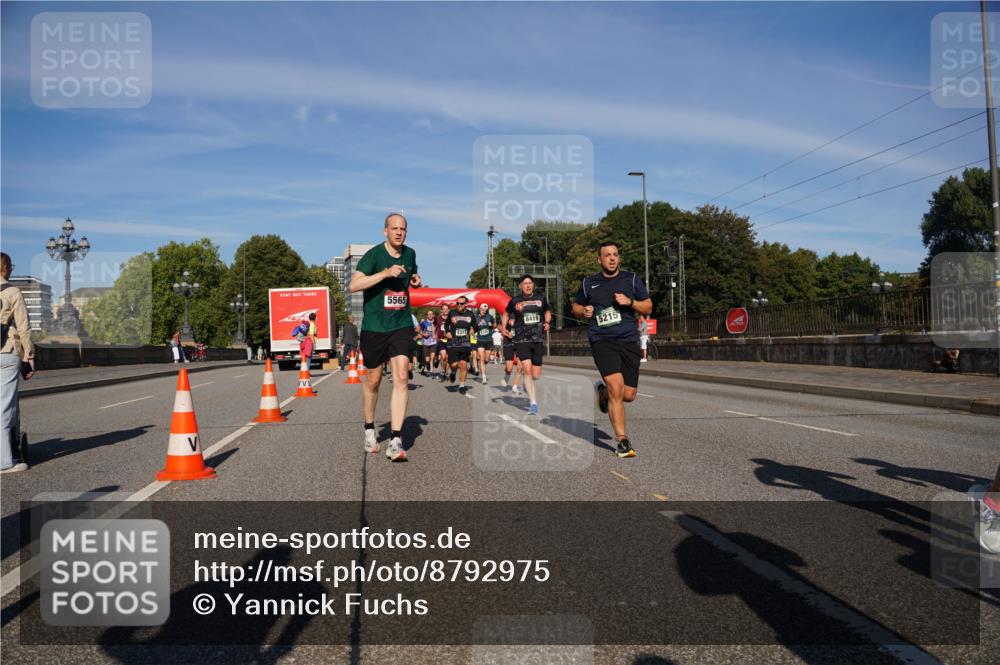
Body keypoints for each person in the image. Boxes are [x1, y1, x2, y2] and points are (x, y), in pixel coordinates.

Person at [349, 213, 421, 461]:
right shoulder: (373, 255)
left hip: (400, 324)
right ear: (385, 231)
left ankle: (396, 439)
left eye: (403, 229)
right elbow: (354, 285)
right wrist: (384, 273)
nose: (399, 232)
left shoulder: (410, 254)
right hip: (374, 327)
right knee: (373, 380)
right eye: (394, 228)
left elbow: (411, 274)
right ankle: (369, 429)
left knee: (401, 376)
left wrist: (415, 280)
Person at [571, 241, 653, 459]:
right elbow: (576, 306)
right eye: (607, 255)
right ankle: (623, 441)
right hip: (602, 340)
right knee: (616, 387)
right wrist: (584, 311)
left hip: (628, 340)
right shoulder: (589, 283)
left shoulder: (632, 279)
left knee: (629, 395)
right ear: (600, 259)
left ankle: (603, 392)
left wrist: (630, 302)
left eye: (615, 254)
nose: (612, 258)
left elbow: (648, 306)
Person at [1, 252, 34, 473]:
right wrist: (29, 356)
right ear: (6, 268)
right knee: (4, 407)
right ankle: (5, 461)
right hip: (6, 351)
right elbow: (23, 327)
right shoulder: (13, 291)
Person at [501, 274, 551, 415]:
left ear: (533, 285)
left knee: (535, 375)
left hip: (537, 339)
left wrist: (547, 322)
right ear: (520, 286)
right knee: (527, 370)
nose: (528, 285)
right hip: (522, 340)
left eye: (530, 283)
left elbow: (547, 311)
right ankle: (533, 403)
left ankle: (527, 384)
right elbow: (505, 314)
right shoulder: (515, 301)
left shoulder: (541, 299)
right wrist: (504, 328)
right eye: (525, 283)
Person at [445, 296, 476, 394]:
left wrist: (473, 329)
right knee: (454, 365)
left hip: (465, 342)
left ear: (465, 304)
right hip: (453, 342)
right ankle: (453, 372)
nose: (459, 305)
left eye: (461, 303)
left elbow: (476, 325)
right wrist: (448, 331)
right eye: (457, 303)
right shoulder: (452, 313)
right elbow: (446, 325)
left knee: (463, 365)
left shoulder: (470, 314)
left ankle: (462, 386)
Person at [473, 303, 495, 385]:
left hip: (488, 340)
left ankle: (483, 367)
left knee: (486, 359)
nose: (484, 311)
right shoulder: (476, 318)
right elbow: (473, 328)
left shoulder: (489, 316)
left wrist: (491, 325)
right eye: (483, 309)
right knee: (482, 359)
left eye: (486, 310)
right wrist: (472, 330)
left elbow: (494, 325)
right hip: (480, 340)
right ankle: (484, 377)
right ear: (480, 309)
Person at [419, 309, 437, 375]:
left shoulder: (436, 322)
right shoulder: (424, 323)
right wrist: (423, 334)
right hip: (426, 343)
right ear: (427, 316)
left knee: (432, 357)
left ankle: (431, 371)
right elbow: (419, 330)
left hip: (433, 342)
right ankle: (428, 364)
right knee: (427, 359)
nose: (430, 315)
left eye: (431, 314)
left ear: (433, 315)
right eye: (429, 314)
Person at [435, 304, 450, 382]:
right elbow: (433, 325)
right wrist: (434, 334)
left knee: (447, 358)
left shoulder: (451, 318)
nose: (445, 310)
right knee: (443, 357)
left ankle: (446, 372)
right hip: (441, 340)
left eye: (446, 309)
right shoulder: (438, 318)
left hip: (449, 340)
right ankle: (443, 371)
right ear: (441, 310)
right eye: (444, 309)